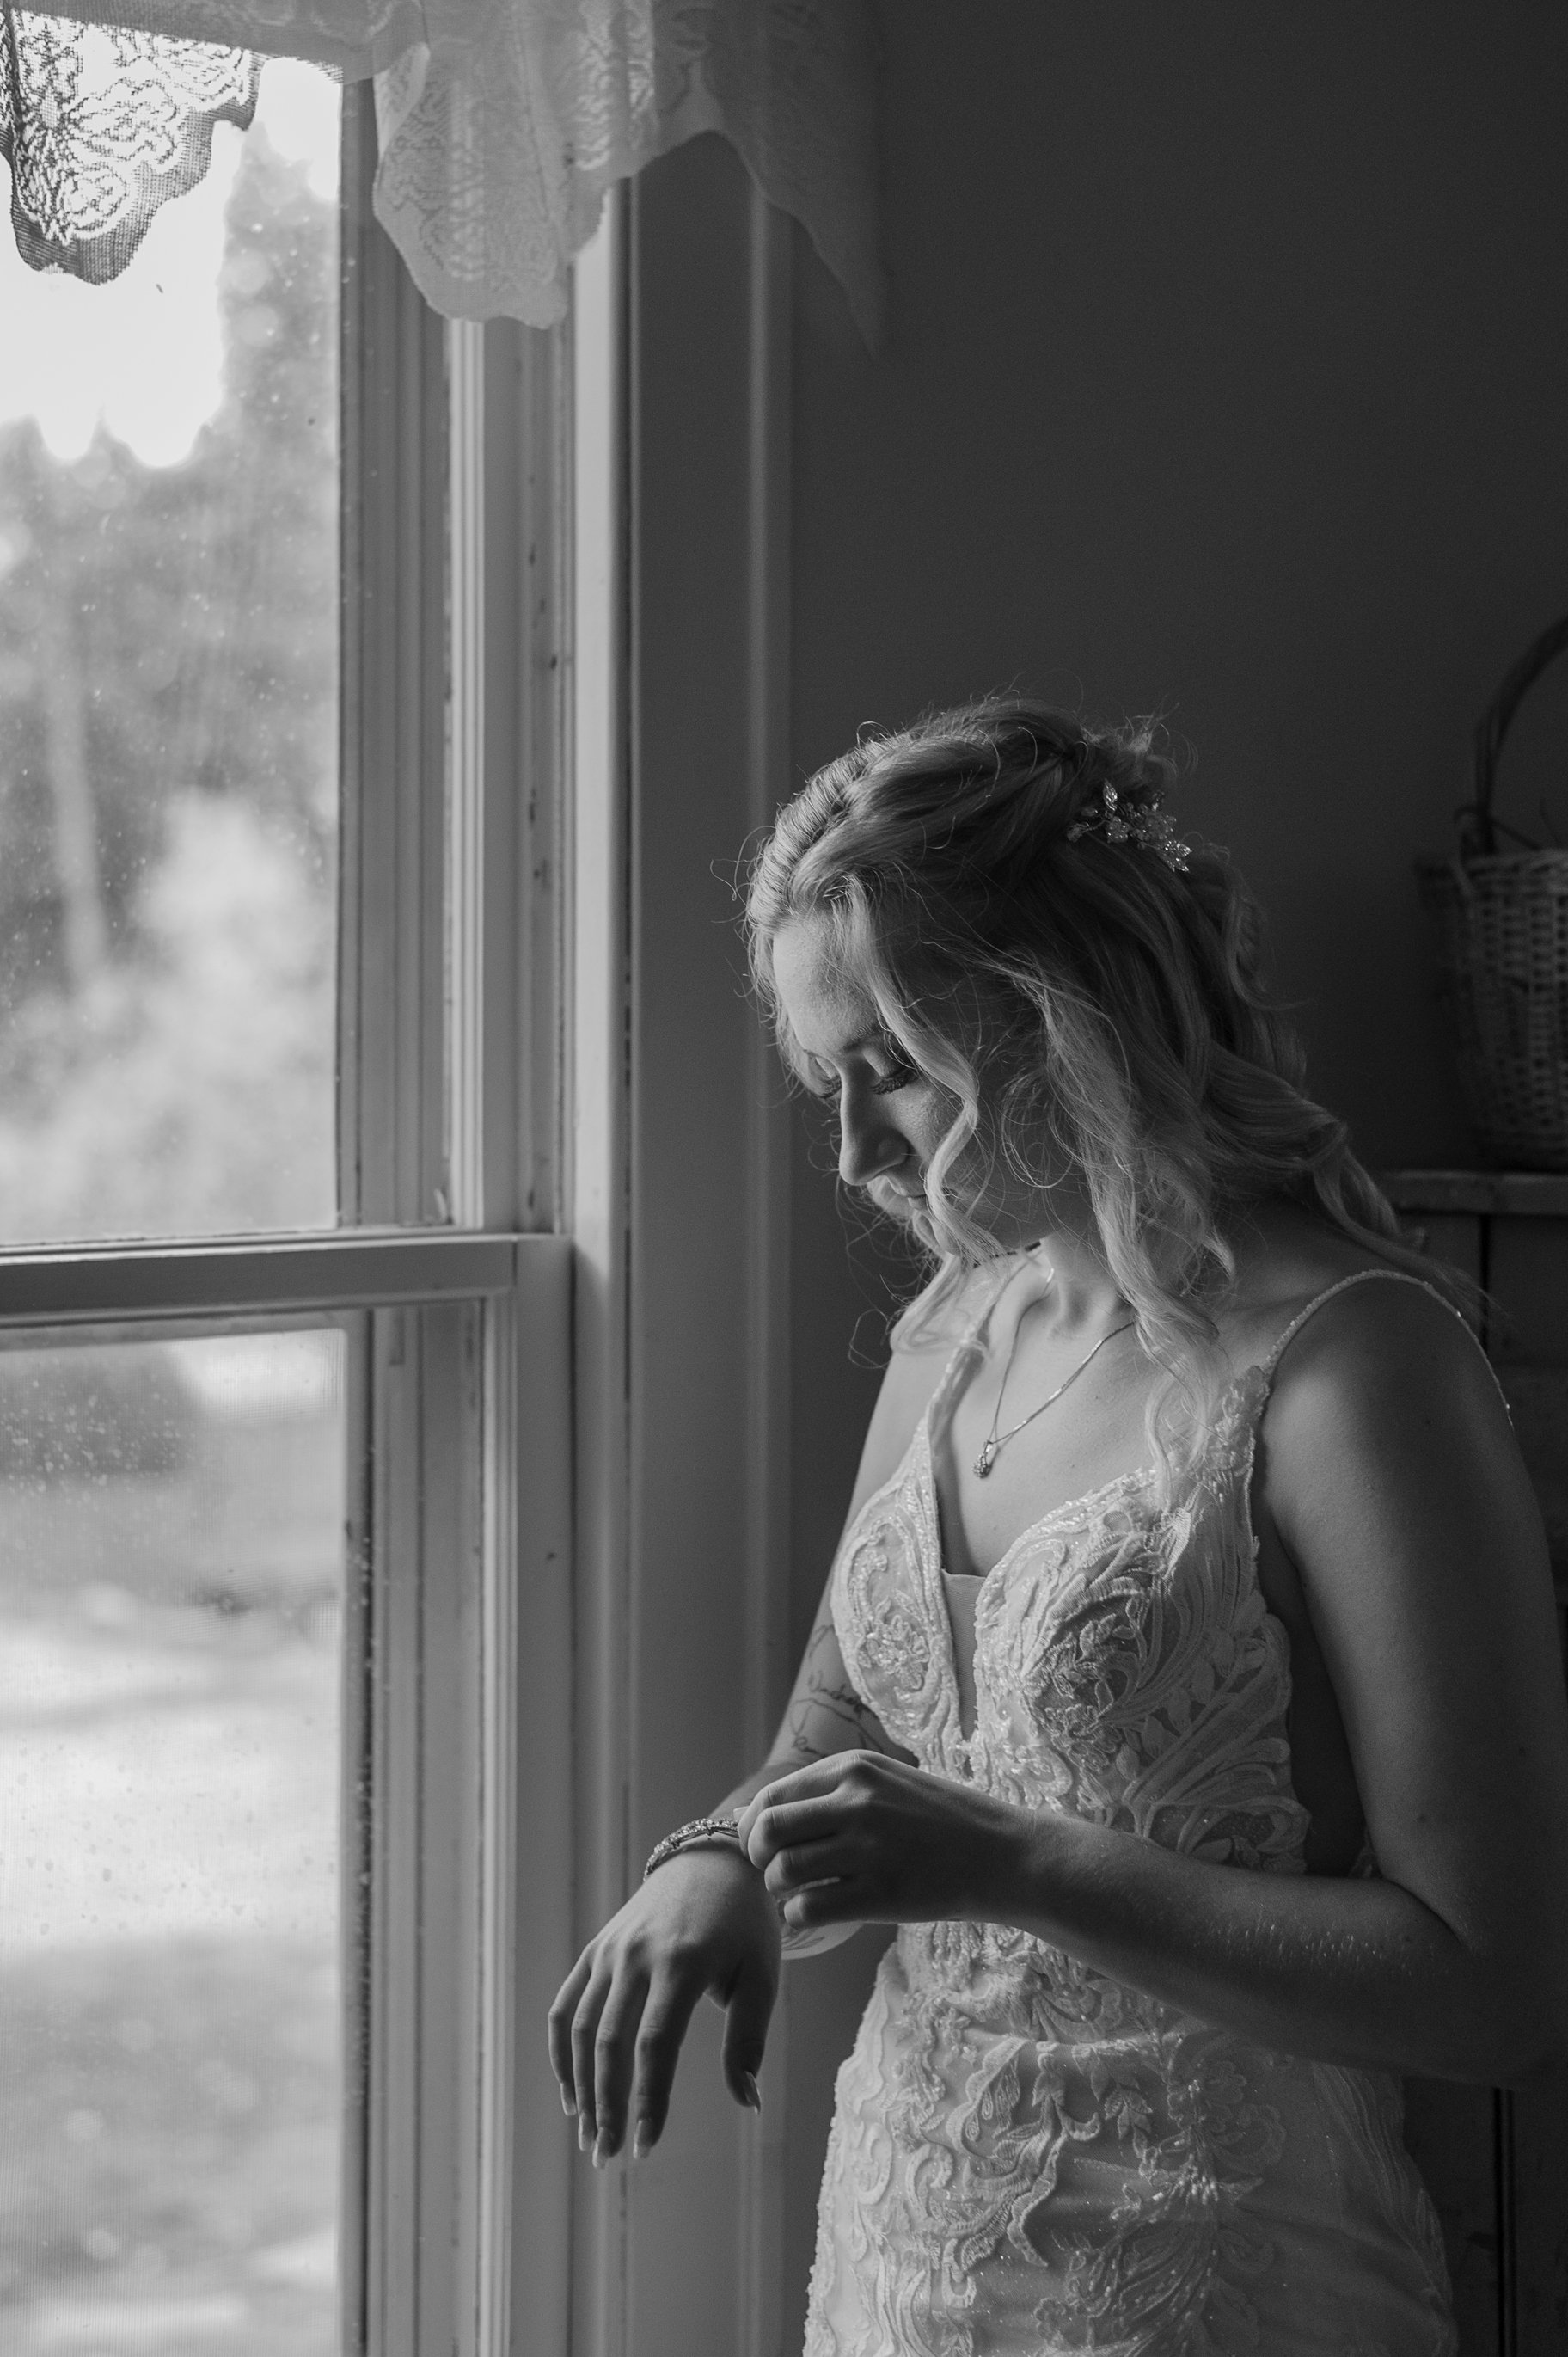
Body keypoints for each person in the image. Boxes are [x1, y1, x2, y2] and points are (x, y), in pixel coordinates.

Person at [548, 697, 1568, 2354]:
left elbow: (1492, 1984)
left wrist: (1013, 1865)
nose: (854, 1144)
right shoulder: (962, 1329)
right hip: (903, 2235)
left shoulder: (1352, 1367)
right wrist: (721, 1856)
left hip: (1218, 2274)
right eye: (829, 1077)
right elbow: (848, 1718)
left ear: (1063, 1015)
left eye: (895, 1073)